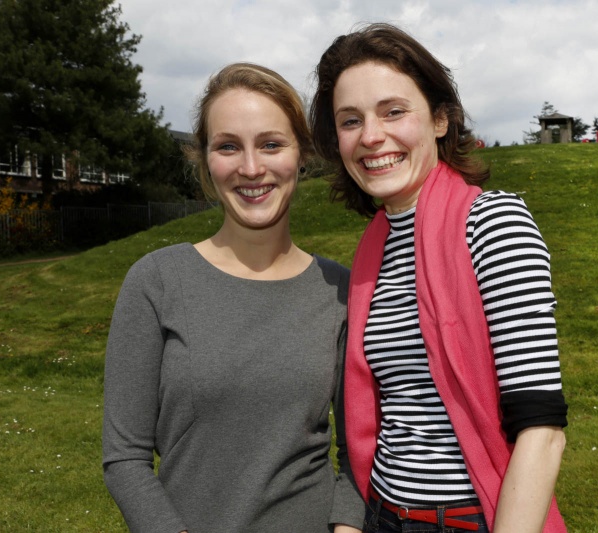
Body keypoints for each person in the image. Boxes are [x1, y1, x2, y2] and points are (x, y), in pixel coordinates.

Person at [310, 24, 569, 533]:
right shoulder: (373, 249)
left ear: (441, 120)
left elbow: (541, 430)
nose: (370, 136)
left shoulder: (491, 222)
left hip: (471, 520)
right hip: (380, 515)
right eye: (350, 120)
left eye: (393, 111)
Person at [102, 63, 364, 533]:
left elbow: (361, 451)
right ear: (204, 160)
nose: (250, 168)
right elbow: (125, 458)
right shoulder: (156, 281)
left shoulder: (341, 291)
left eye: (270, 144)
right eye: (228, 146)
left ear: (301, 154)